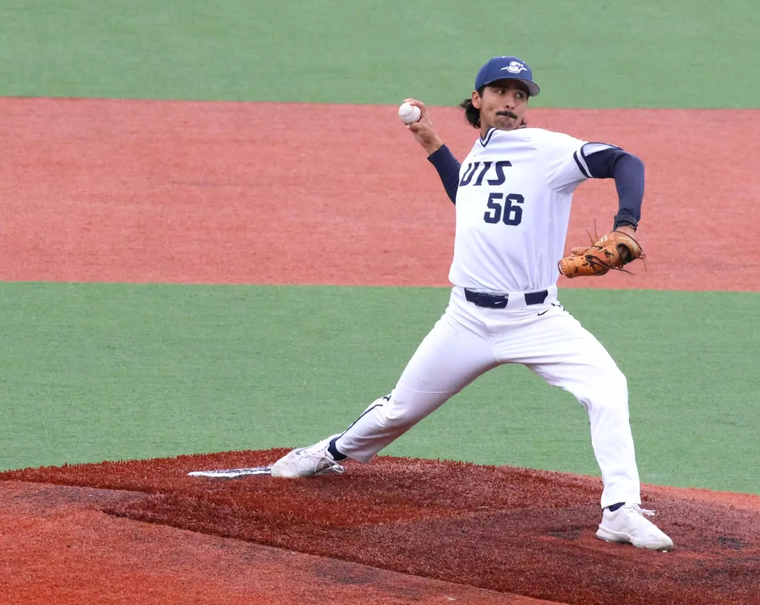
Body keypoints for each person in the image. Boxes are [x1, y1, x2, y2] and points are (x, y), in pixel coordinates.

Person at [271, 56, 672, 551]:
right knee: (399, 411)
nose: (511, 101)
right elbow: (469, 197)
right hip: (465, 319)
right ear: (477, 100)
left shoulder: (546, 149)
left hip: (536, 319)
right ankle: (328, 451)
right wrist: (432, 145)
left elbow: (626, 162)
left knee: (608, 388)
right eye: (501, 91)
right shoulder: (481, 152)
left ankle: (619, 510)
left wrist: (626, 224)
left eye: (520, 95)